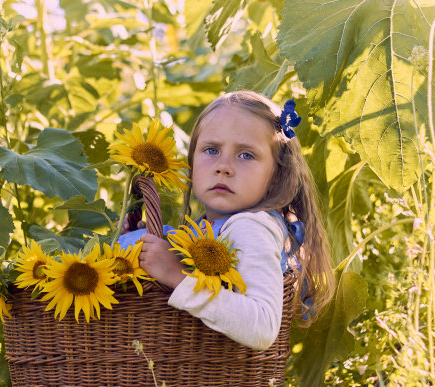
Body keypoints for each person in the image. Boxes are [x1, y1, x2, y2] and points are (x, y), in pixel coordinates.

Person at [118, 90, 335, 350]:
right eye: (211, 150)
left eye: (246, 155)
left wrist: (177, 276)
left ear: (278, 175)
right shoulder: (220, 226)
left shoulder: (252, 227)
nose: (223, 166)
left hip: (212, 378)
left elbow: (262, 327)